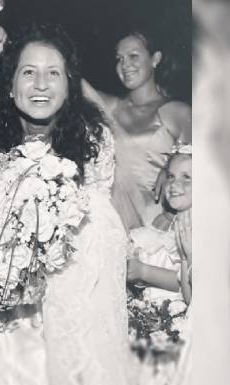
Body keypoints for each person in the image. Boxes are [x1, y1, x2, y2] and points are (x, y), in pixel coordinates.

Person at [0, 22, 133, 385]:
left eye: (53, 73)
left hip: (78, 300)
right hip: (11, 314)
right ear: (9, 85)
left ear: (69, 85)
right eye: (28, 72)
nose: (41, 84)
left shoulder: (92, 142)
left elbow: (101, 235)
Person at [83, 27, 192, 232]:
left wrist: (170, 168)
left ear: (155, 59)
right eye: (119, 59)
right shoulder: (110, 108)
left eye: (133, 56)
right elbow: (73, 82)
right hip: (114, 225)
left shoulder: (175, 111)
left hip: (159, 223)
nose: (125, 64)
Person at [126, 147, 192, 385]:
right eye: (171, 176)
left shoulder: (197, 227)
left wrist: (143, 271)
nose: (175, 184)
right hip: (147, 318)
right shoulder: (164, 221)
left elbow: (185, 288)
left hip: (176, 323)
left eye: (187, 177)